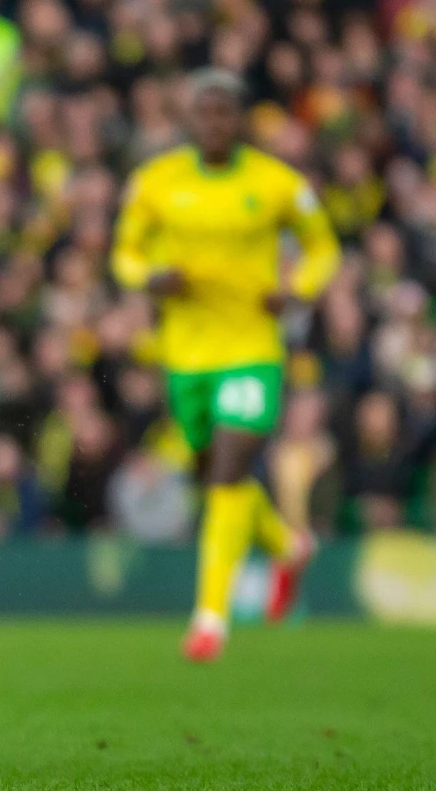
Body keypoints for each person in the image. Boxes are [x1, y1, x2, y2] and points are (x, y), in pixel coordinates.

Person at [112, 68, 341, 662]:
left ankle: (209, 619)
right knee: (212, 472)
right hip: (185, 355)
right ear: (188, 120)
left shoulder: (278, 184)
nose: (214, 123)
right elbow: (125, 253)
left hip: (251, 350)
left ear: (240, 120)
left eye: (224, 112)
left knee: (231, 467)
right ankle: (287, 546)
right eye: (204, 112)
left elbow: (323, 247)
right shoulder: (156, 182)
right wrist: (149, 278)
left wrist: (298, 290)